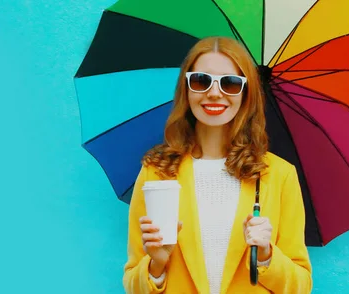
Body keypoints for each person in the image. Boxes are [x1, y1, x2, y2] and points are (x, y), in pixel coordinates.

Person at [122, 36, 313, 294]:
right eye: (201, 81)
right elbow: (133, 285)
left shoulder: (279, 175)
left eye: (230, 83)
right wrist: (156, 264)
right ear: (186, 90)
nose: (214, 93)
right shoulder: (155, 173)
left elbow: (301, 286)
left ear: (246, 94)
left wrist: (268, 255)